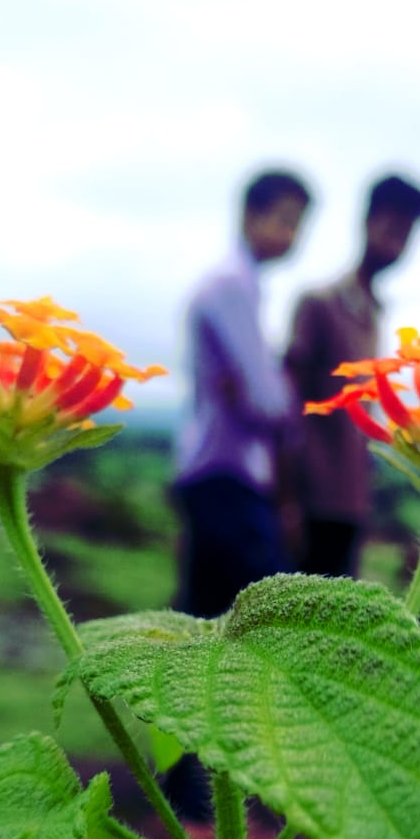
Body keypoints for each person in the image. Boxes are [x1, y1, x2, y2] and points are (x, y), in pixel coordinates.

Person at [172, 167, 313, 618]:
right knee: (270, 615)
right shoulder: (232, 286)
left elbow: (251, 390)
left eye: (298, 225)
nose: (291, 237)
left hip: (212, 471)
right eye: (284, 221)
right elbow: (266, 399)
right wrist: (285, 402)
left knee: (206, 617)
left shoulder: (241, 286)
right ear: (250, 215)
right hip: (226, 473)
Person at [284, 173, 420, 577]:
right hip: (309, 502)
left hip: (350, 503)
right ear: (367, 221)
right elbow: (287, 405)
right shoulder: (319, 303)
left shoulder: (374, 312)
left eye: (407, 234)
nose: (397, 243)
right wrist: (286, 501)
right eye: (392, 227)